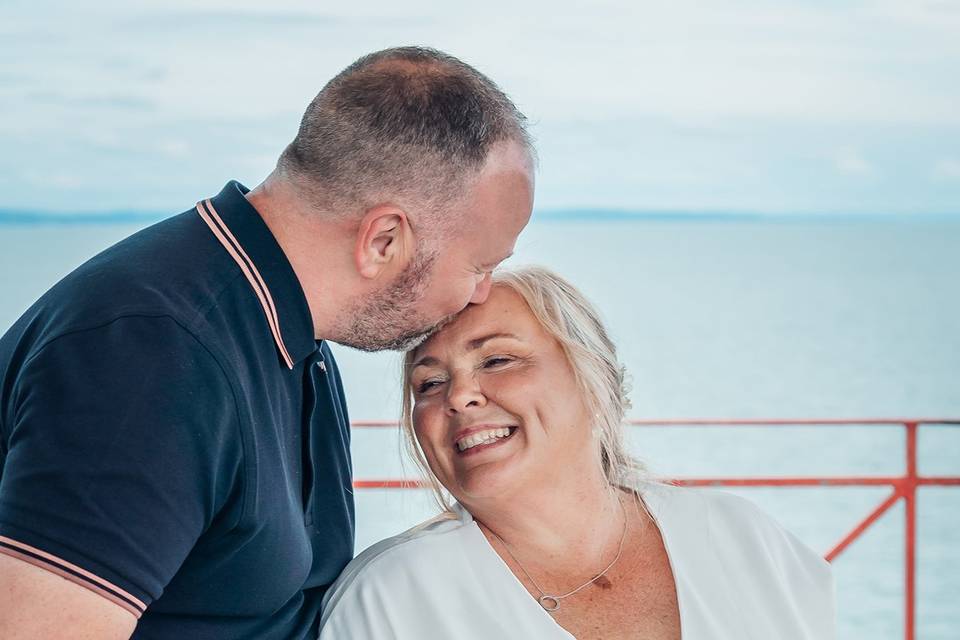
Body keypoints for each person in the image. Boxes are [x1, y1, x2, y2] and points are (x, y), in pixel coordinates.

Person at [0, 47, 535, 639]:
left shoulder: (290, 333)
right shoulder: (155, 355)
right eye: (480, 264)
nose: (480, 294)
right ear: (384, 240)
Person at [319, 266, 835, 640]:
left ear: (594, 380)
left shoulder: (741, 536)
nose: (457, 397)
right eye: (428, 383)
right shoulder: (393, 599)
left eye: (497, 359)